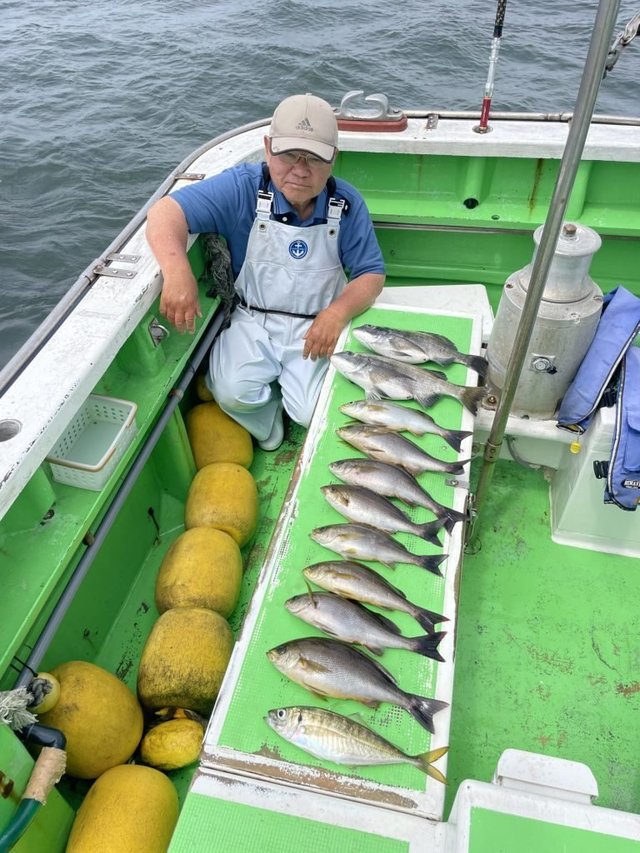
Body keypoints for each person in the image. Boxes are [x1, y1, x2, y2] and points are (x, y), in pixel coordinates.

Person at [146, 93, 386, 450]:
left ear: (334, 158)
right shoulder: (242, 188)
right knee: (230, 392)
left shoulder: (346, 204)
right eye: (289, 155)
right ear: (267, 147)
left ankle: (293, 406)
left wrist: (337, 314)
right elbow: (165, 213)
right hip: (253, 318)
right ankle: (270, 427)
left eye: (315, 158)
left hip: (316, 324)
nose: (300, 170)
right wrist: (178, 271)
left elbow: (371, 274)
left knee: (311, 412)